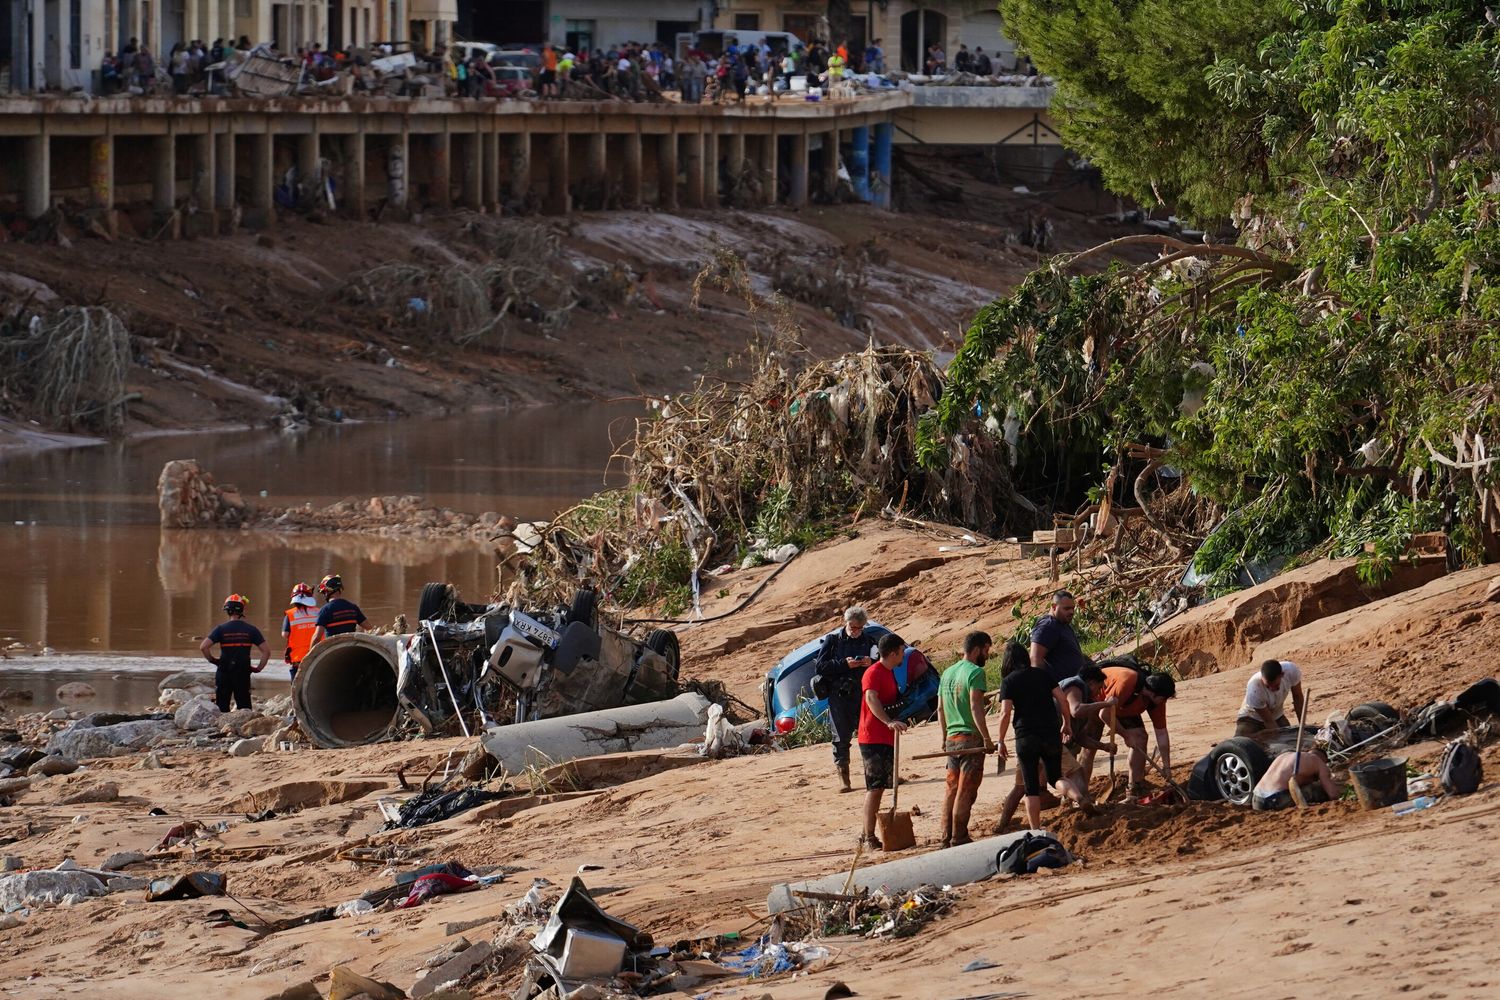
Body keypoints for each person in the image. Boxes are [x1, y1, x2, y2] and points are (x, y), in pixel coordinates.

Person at [996, 635, 1075, 830]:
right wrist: (1067, 723)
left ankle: (1035, 830)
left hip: (1026, 736)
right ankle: (1079, 797)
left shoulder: (1009, 681)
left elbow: (1005, 713)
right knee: (1055, 777)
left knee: (1030, 788)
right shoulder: (1043, 674)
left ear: (1008, 661)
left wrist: (1000, 740)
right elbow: (1063, 700)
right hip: (1050, 733)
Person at [937, 631, 995, 847]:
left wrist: (944, 738)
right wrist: (987, 738)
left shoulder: (948, 673)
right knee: (965, 789)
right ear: (978, 649)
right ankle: (959, 836)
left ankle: (946, 836)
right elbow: (975, 706)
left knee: (951, 788)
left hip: (952, 738)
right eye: (987, 650)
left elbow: (941, 709)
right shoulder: (975, 673)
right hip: (970, 737)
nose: (987, 655)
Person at [815, 606, 876, 791]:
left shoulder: (869, 640)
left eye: (859, 628)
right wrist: (844, 664)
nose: (855, 631)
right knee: (840, 737)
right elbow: (820, 667)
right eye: (852, 627)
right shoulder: (833, 641)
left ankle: (875, 774)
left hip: (863, 694)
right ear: (846, 623)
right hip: (839, 696)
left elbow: (881, 661)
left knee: (870, 735)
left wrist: (870, 662)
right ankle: (844, 780)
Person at [858, 633, 910, 848]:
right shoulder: (873, 672)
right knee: (875, 787)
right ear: (892, 653)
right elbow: (871, 699)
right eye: (901, 652)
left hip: (884, 737)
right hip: (873, 737)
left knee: (880, 787)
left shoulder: (888, 673)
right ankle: (868, 836)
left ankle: (867, 834)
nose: (903, 656)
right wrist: (888, 721)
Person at [1102, 664, 1176, 795]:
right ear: (1153, 693)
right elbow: (1104, 714)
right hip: (1098, 701)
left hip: (1124, 708)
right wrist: (1126, 736)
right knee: (1089, 749)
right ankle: (1079, 794)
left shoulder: (1157, 700)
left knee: (1140, 738)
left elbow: (1162, 733)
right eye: (1164, 698)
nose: (1164, 701)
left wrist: (1167, 766)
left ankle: (1135, 786)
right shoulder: (1127, 683)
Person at [199, 593, 269, 711]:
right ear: (241, 611)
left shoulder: (220, 629)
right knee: (244, 706)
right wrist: (258, 668)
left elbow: (203, 647)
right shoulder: (251, 630)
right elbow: (266, 651)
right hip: (243, 672)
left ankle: (221, 728)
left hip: (224, 671)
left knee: (221, 706)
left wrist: (213, 660)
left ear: (227, 611)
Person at [1059, 663, 1118, 784]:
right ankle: (1080, 800)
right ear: (1091, 683)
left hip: (1053, 740)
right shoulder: (1075, 686)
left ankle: (1072, 799)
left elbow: (1079, 737)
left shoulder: (1085, 699)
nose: (1099, 692)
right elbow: (1076, 711)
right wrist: (1106, 704)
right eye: (1099, 687)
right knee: (1076, 774)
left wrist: (1103, 746)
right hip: (1042, 737)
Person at [1030, 589, 1091, 683]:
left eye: (1072, 608)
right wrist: (1046, 689)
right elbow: (1035, 659)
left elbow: (1070, 653)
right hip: (1064, 689)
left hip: (1078, 685)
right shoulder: (1047, 626)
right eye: (1066, 609)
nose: (1071, 612)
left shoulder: (1063, 624)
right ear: (1054, 607)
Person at [1253, 748, 1341, 811]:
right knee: (1319, 788)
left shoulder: (1285, 755)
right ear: (1324, 760)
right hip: (1276, 800)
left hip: (1256, 799)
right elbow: (1333, 794)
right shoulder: (1318, 762)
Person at [1236, 659, 1305, 736]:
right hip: (1251, 717)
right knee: (1241, 742)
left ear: (1282, 675)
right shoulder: (1255, 689)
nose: (1271, 689)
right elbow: (1269, 722)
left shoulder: (1291, 671)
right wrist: (1278, 738)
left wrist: (1303, 726)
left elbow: (1298, 698)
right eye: (1267, 686)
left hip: (1276, 715)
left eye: (1275, 685)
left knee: (1290, 737)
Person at [311, 573, 368, 646]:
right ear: (339, 589)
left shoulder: (325, 610)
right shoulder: (353, 608)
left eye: (323, 592)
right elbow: (368, 628)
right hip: (351, 648)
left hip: (333, 651)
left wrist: (310, 655)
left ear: (327, 591)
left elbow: (316, 638)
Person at [281, 582, 319, 681]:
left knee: (297, 688)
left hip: (298, 659)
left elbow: (285, 634)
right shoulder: (319, 612)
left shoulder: (290, 614)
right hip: (317, 656)